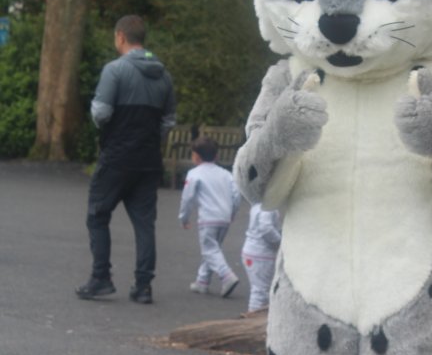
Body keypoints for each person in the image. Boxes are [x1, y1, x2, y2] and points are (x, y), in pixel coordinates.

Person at [76, 15, 176, 304]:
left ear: (121, 36)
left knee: (97, 215)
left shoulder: (114, 71)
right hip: (148, 159)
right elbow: (168, 121)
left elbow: (101, 113)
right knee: (144, 223)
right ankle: (143, 286)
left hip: (117, 156)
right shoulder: (164, 75)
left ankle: (100, 278)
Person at [179, 135, 241, 297]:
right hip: (225, 217)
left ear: (196, 156)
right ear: (216, 156)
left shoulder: (194, 173)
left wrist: (184, 217)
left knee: (209, 250)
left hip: (208, 217)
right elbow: (236, 195)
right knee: (214, 249)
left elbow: (187, 197)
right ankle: (202, 281)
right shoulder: (226, 174)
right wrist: (232, 212)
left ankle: (227, 276)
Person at [241, 203, 282, 312]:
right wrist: (280, 242)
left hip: (251, 250)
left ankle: (253, 317)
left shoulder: (256, 205)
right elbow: (266, 228)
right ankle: (251, 320)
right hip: (262, 253)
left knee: (258, 289)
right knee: (260, 291)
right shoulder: (268, 206)